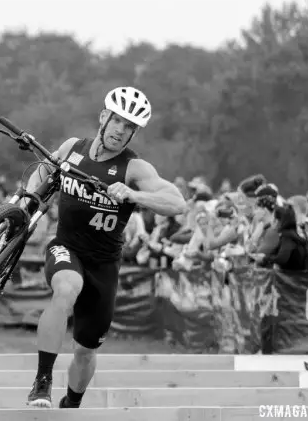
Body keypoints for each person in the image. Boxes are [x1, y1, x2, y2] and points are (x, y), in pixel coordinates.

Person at [24, 87, 187, 409]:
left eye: (129, 127)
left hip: (104, 265)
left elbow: (177, 203)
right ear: (103, 117)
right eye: (117, 121)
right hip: (66, 247)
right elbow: (45, 168)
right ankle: (42, 382)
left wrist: (134, 195)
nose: (120, 131)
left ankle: (71, 404)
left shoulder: (135, 169)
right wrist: (27, 201)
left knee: (85, 351)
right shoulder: (73, 147)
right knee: (66, 289)